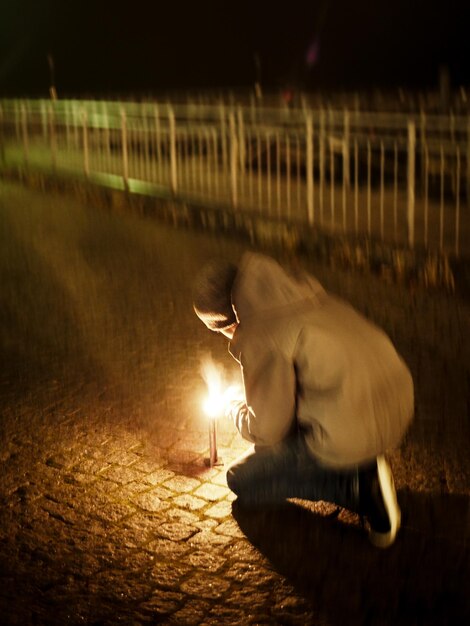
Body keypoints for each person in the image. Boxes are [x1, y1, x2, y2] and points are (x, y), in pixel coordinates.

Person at [192, 252, 414, 548]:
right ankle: (357, 465)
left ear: (226, 325)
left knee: (241, 478)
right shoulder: (302, 292)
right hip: (396, 400)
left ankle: (356, 485)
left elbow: (268, 431)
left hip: (354, 426)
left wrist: (233, 404)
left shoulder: (259, 332)